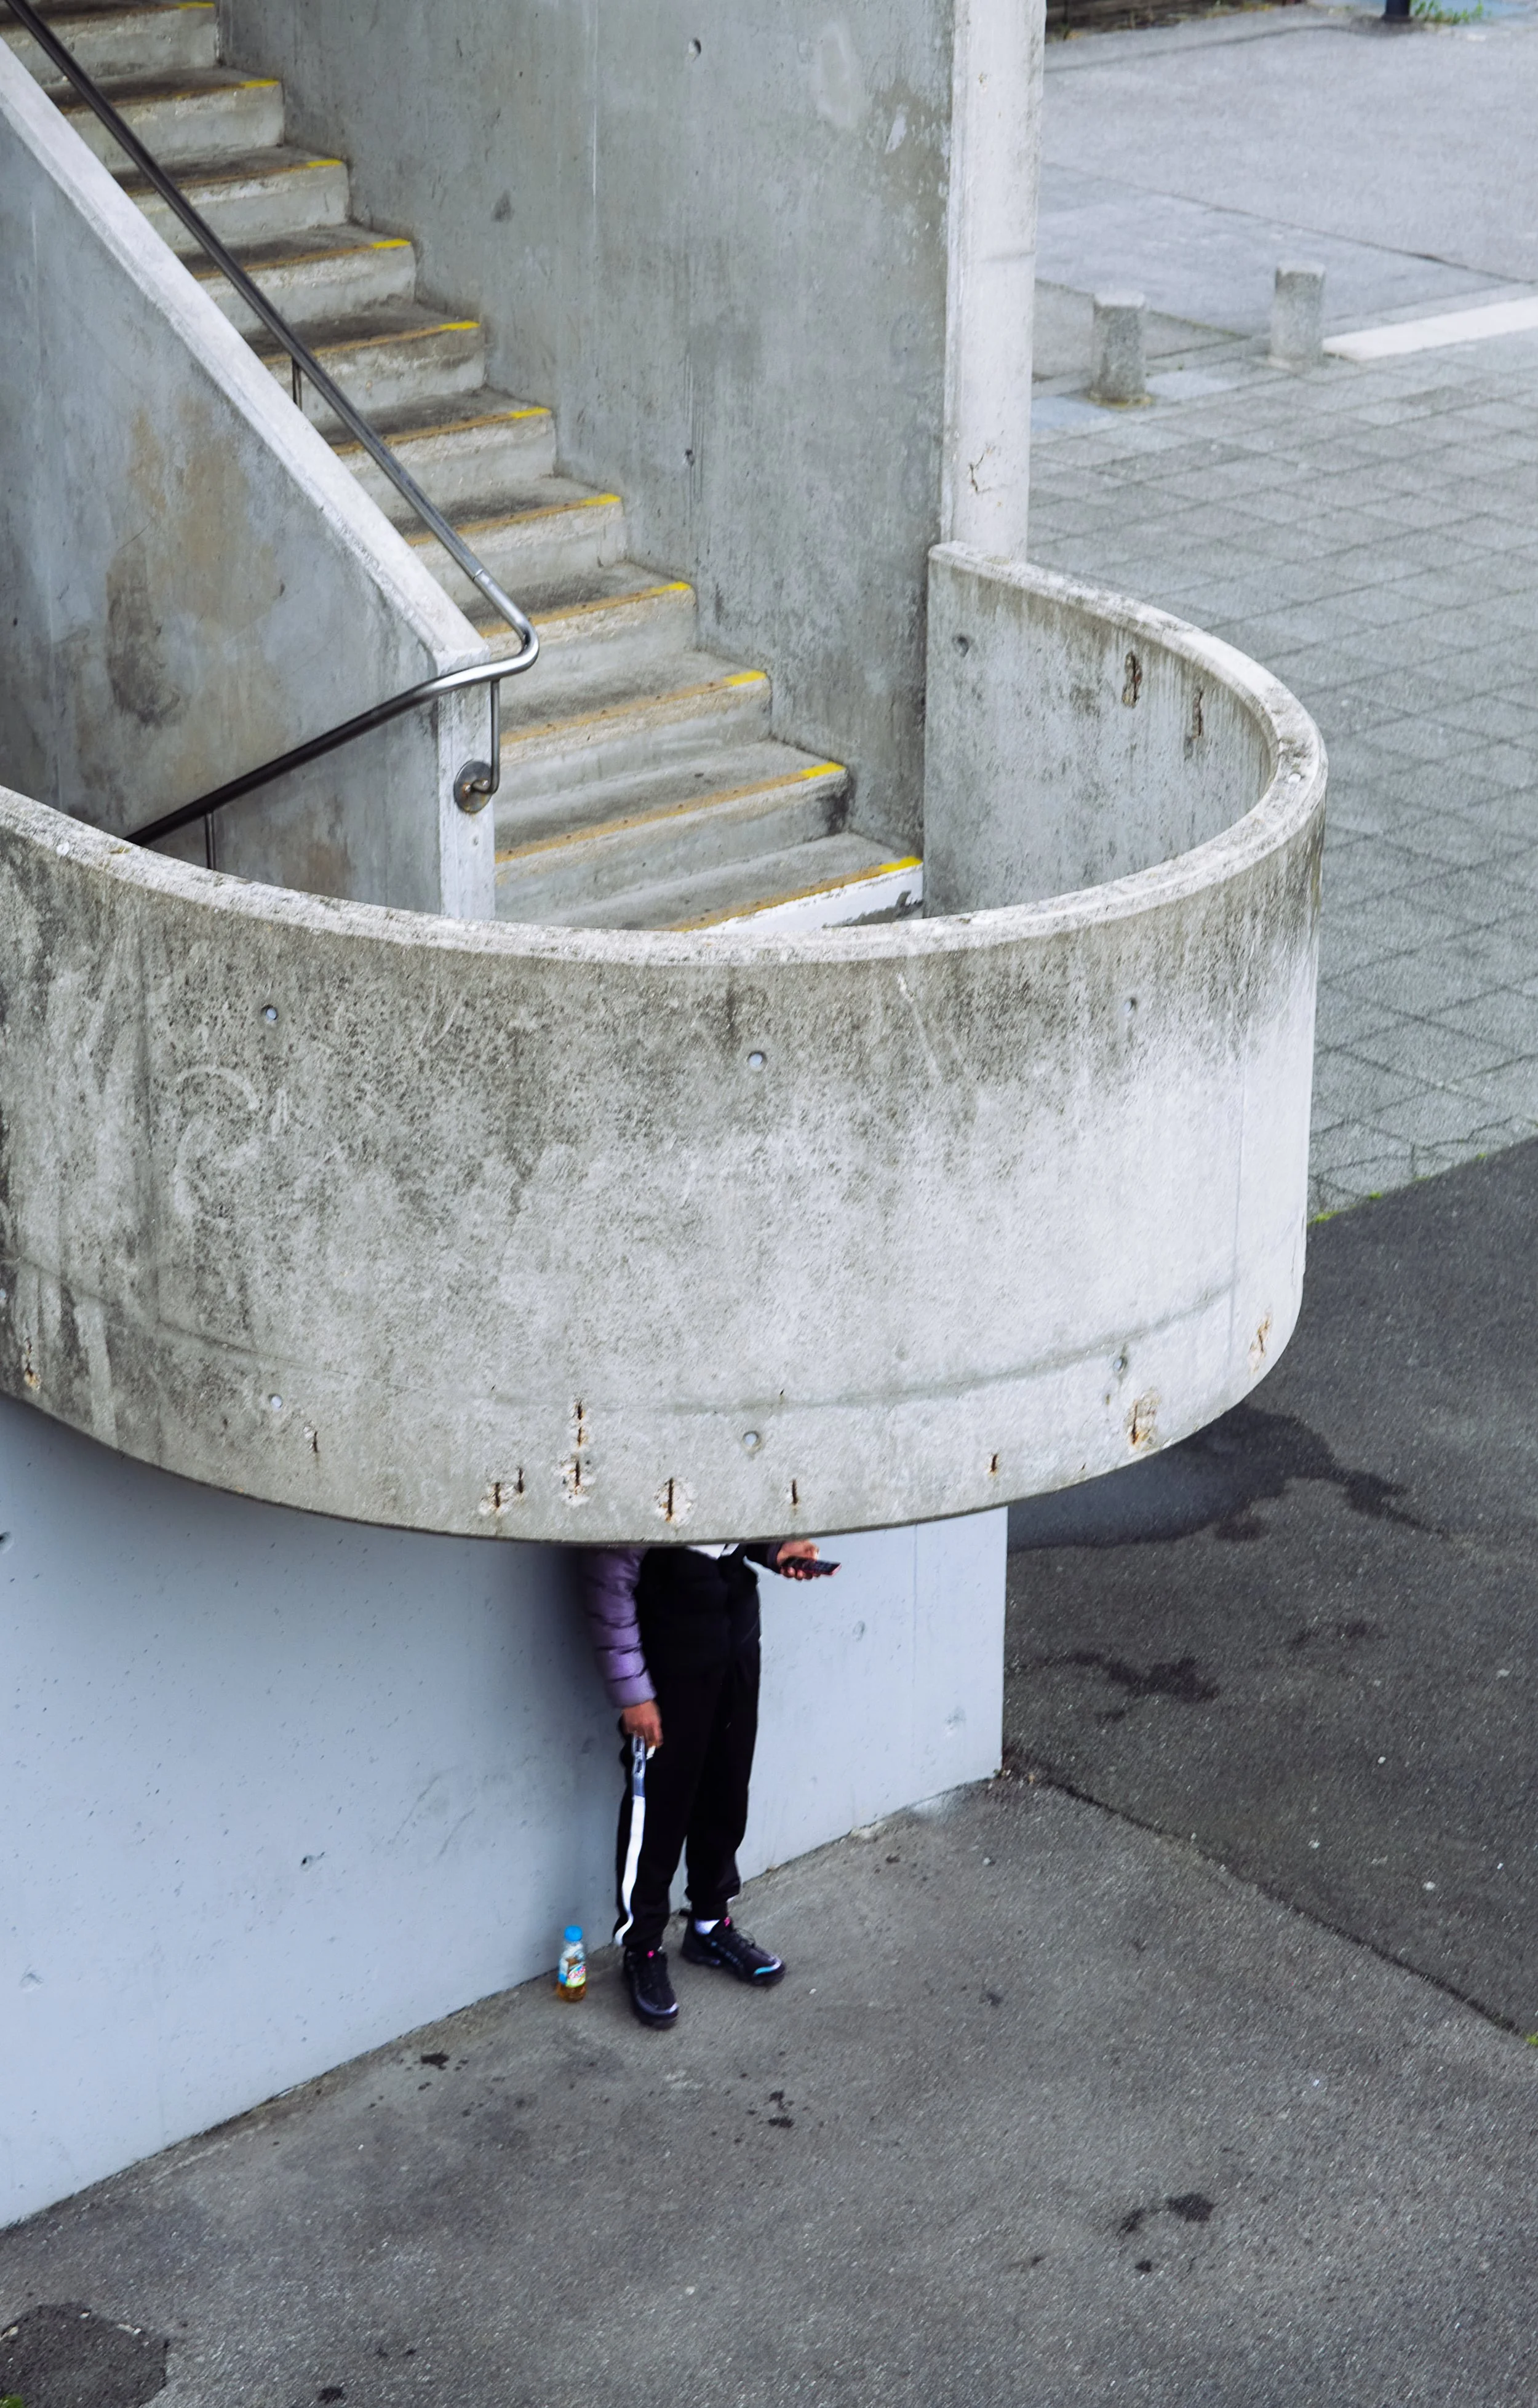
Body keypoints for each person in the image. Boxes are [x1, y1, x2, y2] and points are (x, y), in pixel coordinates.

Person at [578, 1538, 830, 2028]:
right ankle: (643, 1948)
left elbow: (728, 1525)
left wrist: (773, 1548)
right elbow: (607, 1581)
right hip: (672, 1647)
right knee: (660, 1807)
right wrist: (634, 1693)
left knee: (727, 1789)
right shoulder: (645, 1470)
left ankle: (710, 1923)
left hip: (733, 1631)